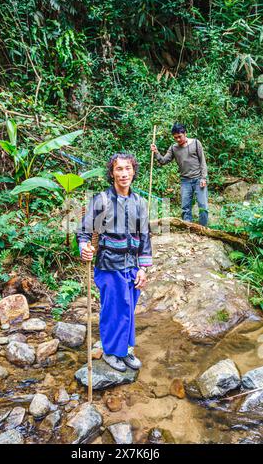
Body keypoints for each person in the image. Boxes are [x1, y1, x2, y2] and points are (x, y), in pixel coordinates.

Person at [76, 154, 152, 372]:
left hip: (132, 266)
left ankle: (125, 350)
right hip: (109, 265)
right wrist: (84, 248)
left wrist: (143, 268)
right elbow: (84, 231)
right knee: (113, 309)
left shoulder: (140, 202)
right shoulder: (101, 201)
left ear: (134, 171)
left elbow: (145, 237)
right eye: (119, 169)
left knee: (128, 308)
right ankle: (111, 351)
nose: (124, 173)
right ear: (112, 173)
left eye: (128, 168)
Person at [151, 123, 209, 226]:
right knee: (185, 208)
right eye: (175, 137)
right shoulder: (174, 148)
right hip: (185, 181)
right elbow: (164, 161)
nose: (178, 139)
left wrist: (204, 178)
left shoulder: (196, 143)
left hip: (198, 179)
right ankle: (188, 228)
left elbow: (202, 162)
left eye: (179, 136)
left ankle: (203, 229)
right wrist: (156, 152)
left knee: (203, 206)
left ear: (185, 133)